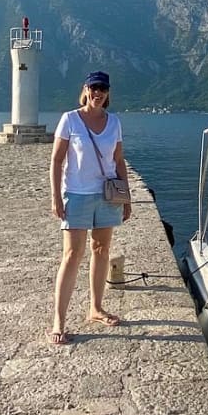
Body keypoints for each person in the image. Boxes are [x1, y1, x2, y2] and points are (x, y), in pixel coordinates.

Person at [48, 70, 132, 344]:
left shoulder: (114, 122)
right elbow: (57, 160)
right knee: (72, 254)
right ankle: (59, 321)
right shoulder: (70, 119)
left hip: (107, 195)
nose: (98, 93)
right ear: (85, 89)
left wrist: (127, 197)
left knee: (101, 250)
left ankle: (95, 308)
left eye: (103, 89)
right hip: (77, 194)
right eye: (94, 88)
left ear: (108, 93)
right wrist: (56, 197)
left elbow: (118, 160)